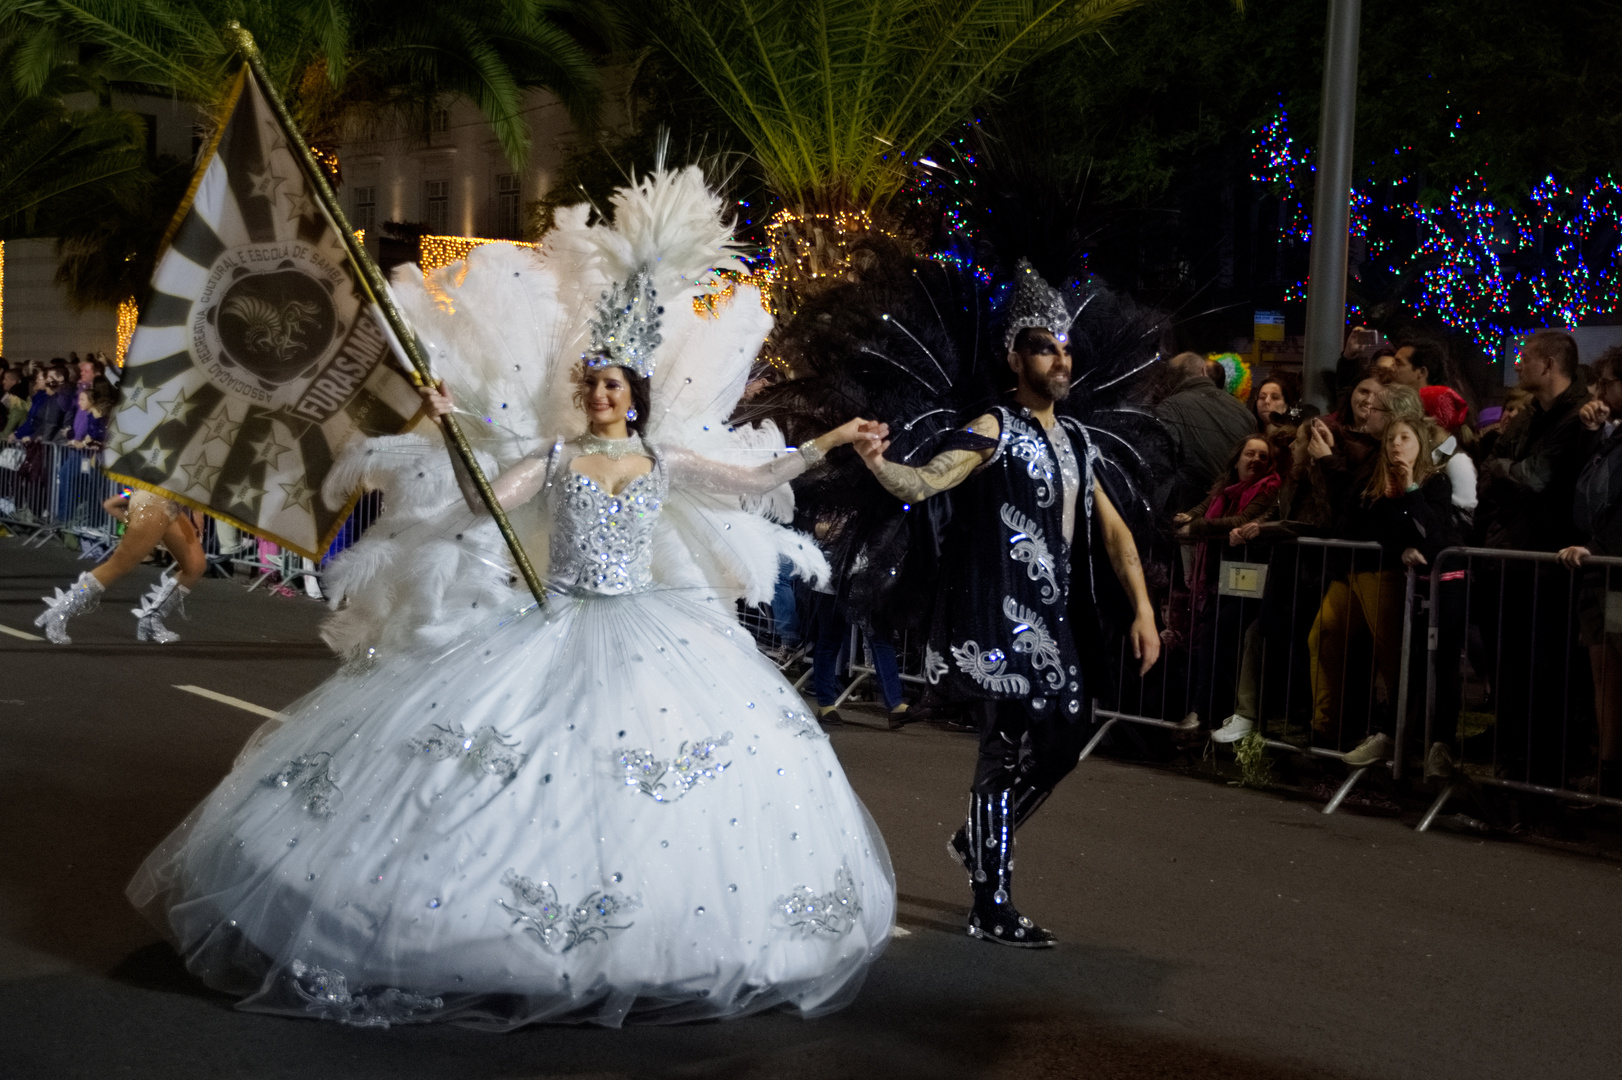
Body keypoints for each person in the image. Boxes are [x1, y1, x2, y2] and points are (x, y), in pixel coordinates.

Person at [128, 173, 896, 1027]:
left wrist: (833, 439)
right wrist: (447, 424)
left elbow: (757, 476)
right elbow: (481, 497)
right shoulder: (558, 459)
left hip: (650, 626)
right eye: (593, 384)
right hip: (551, 618)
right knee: (510, 772)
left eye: (614, 386)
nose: (601, 396)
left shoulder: (665, 463)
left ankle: (665, 943)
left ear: (636, 395)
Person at [854, 264, 1160, 948]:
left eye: (1066, 347)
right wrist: (879, 465)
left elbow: (1113, 531)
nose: (1061, 358)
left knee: (1069, 733)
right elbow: (930, 480)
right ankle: (991, 903)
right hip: (998, 616)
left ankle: (977, 837)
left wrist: (1143, 608)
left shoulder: (1079, 441)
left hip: (1056, 623)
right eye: (1046, 347)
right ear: (1015, 357)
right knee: (1007, 745)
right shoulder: (995, 426)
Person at [1308, 406, 1456, 766]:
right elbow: (1369, 525)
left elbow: (1430, 531)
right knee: (1324, 634)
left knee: (1399, 658)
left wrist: (1410, 490)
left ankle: (1406, 736)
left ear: (1420, 443)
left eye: (1404, 438)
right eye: (1391, 439)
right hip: (1364, 569)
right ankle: (1328, 727)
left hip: (1406, 582)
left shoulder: (1435, 481)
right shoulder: (1377, 479)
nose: (1395, 445)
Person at [1173, 435, 1283, 731]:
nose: (1256, 460)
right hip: (1220, 577)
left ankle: (1203, 712)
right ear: (1237, 460)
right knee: (1209, 637)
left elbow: (1242, 519)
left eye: (1263, 456)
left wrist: (1194, 527)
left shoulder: (1269, 488)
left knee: (1217, 633)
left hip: (1250, 578)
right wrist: (1187, 517)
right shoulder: (1225, 487)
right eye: (1250, 454)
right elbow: (1202, 507)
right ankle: (1206, 713)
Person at [1557, 346, 1622, 797]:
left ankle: (1612, 770)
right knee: (1604, 669)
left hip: (1614, 568)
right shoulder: (1610, 437)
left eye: (1607, 382)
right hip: (1601, 567)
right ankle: (1607, 765)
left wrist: (1599, 545)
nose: (1598, 392)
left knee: (1614, 669)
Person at [1155, 350, 1259, 516]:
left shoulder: (1169, 409)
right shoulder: (1243, 412)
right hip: (1234, 518)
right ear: (1204, 371)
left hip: (1186, 517)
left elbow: (1160, 471)